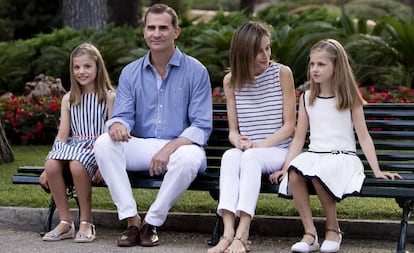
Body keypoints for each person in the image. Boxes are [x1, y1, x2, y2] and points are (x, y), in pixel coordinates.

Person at [93, 3, 212, 248]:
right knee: (104, 142)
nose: (156, 33)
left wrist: (168, 148)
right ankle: (132, 220)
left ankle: (152, 222)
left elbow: (201, 125)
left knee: (189, 159)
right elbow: (123, 114)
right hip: (143, 146)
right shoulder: (130, 72)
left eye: (163, 28)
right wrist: (117, 124)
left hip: (181, 147)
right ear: (144, 32)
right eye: (151, 28)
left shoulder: (196, 71)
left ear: (176, 32)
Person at [271, 39, 401, 253]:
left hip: (343, 157)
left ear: (336, 67)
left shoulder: (349, 99)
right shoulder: (306, 98)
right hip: (315, 155)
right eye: (312, 64)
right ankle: (310, 234)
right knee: (295, 173)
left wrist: (376, 170)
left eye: (321, 64)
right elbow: (298, 138)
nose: (315, 69)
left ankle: (333, 229)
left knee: (319, 173)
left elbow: (364, 137)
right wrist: (286, 167)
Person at [207, 21, 296, 253]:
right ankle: (227, 233)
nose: (265, 55)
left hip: (276, 149)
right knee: (229, 156)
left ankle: (243, 232)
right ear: (244, 52)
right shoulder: (231, 81)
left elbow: (289, 127)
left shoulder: (282, 73)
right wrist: (238, 141)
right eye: (259, 51)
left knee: (250, 158)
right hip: (250, 150)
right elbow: (233, 130)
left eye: (268, 48)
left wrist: (256, 146)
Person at [39, 42, 116, 242]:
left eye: (87, 66)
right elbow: (63, 135)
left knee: (77, 164)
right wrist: (47, 167)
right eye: (76, 67)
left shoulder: (108, 97)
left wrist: (105, 163)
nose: (81, 71)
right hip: (75, 145)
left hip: (96, 148)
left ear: (98, 68)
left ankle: (86, 221)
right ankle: (65, 222)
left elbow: (112, 134)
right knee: (51, 164)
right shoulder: (69, 98)